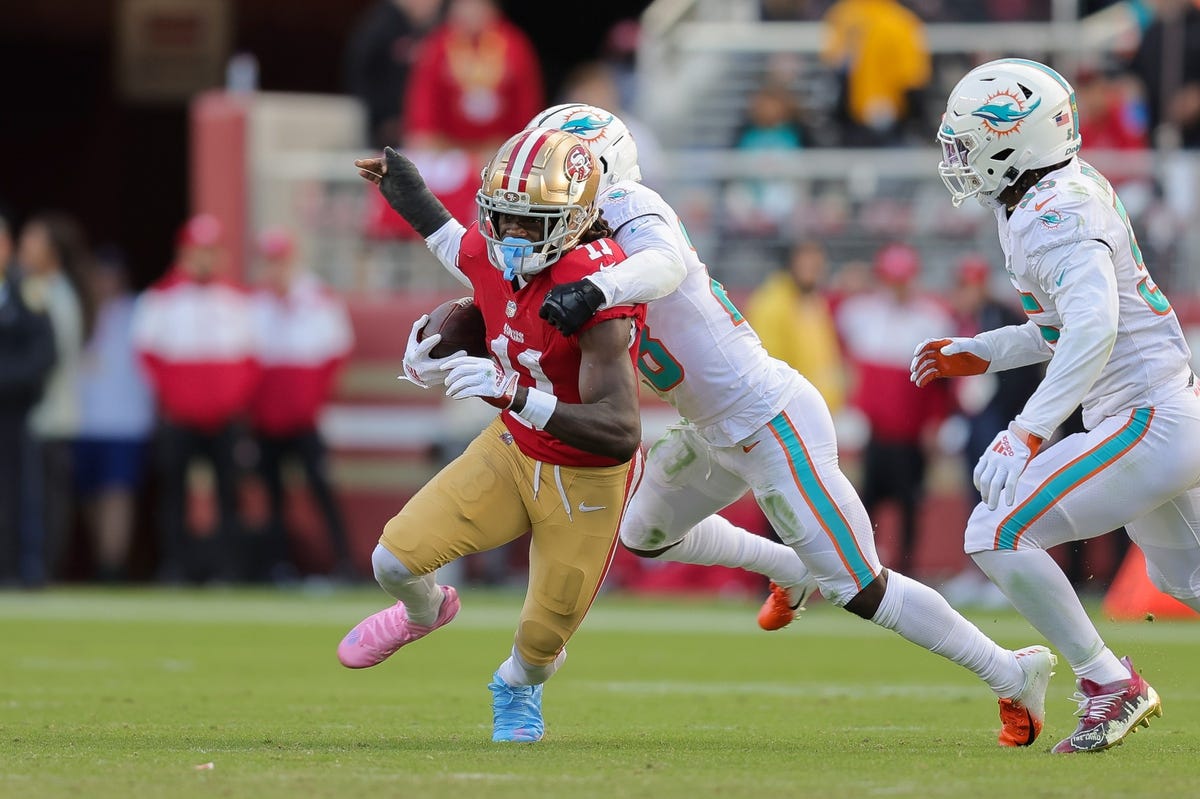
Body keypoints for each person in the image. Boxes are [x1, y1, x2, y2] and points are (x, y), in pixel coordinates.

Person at [530, 103, 1057, 748]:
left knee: (862, 588)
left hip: (770, 419)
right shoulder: (568, 239)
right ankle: (788, 565)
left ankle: (1012, 671)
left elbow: (662, 264)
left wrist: (597, 290)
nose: (540, 185)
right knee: (643, 534)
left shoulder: (632, 208)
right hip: (711, 428)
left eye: (554, 168)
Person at [916, 57, 1200, 753]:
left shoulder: (1055, 211)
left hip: (1147, 416)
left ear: (1015, 138)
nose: (959, 159)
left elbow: (1094, 328)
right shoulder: (1040, 199)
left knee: (995, 529)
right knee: (1186, 578)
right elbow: (1062, 326)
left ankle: (1109, 682)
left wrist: (1028, 430)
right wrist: (986, 349)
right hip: (1161, 411)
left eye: (969, 142)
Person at [344, 129, 646, 743]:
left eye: (529, 221)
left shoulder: (593, 286)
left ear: (574, 220)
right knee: (392, 562)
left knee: (540, 643)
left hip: (587, 476)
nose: (510, 234)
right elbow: (450, 240)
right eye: (502, 216)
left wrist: (513, 392)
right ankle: (427, 611)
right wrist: (408, 191)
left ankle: (515, 684)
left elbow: (620, 430)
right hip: (512, 450)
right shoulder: (495, 249)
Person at [132, 214, 259, 583]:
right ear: (184, 253)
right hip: (180, 418)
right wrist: (178, 400)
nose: (205, 259)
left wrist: (230, 401)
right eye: (198, 251)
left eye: (211, 251)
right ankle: (174, 567)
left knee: (228, 495)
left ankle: (228, 570)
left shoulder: (238, 300)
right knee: (173, 495)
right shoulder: (159, 299)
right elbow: (147, 357)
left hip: (225, 420)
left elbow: (252, 359)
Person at [835, 243, 954, 571]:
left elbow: (941, 385)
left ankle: (906, 570)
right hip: (871, 432)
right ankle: (862, 568)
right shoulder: (860, 313)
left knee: (909, 505)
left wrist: (936, 423)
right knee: (864, 502)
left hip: (911, 434)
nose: (897, 287)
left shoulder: (931, 319)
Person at [249, 228, 356, 582]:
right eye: (269, 262)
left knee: (321, 488)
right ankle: (278, 566)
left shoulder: (319, 299)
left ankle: (343, 561)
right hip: (266, 421)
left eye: (280, 261)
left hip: (307, 419)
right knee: (272, 495)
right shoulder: (253, 304)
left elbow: (336, 355)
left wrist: (312, 403)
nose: (275, 269)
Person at [17, 212, 92, 584]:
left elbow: (52, 357)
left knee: (46, 500)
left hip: (50, 414)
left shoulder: (55, 295)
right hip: (37, 415)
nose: (23, 249)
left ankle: (44, 569)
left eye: (33, 242)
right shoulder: (36, 290)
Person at [73, 248, 155, 582]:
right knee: (89, 495)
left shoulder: (139, 311)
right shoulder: (80, 313)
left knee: (117, 493)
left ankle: (113, 565)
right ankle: (102, 559)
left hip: (125, 422)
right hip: (82, 421)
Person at [402, 0, 543, 157]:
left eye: (478, 5)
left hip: (499, 146)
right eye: (465, 4)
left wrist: (525, 138)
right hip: (446, 147)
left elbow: (526, 99)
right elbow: (424, 97)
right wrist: (422, 133)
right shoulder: (437, 45)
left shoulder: (515, 44)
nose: (471, 11)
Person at [0, 212, 56, 586]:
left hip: (13, 412)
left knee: (18, 491)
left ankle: (19, 567)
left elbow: (44, 353)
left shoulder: (27, 293)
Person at [746, 239, 845, 413]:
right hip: (794, 412)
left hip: (818, 408)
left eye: (817, 265)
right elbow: (769, 366)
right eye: (806, 264)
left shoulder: (813, 301)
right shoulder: (772, 304)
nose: (813, 270)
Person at [821, 0, 931, 146]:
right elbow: (913, 80)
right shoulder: (902, 20)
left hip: (854, 117)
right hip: (889, 116)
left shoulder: (841, 14)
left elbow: (833, 65)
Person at [343, 0, 443, 148]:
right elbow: (360, 74)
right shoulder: (381, 26)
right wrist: (384, 117)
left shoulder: (429, 29)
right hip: (386, 126)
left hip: (415, 126)